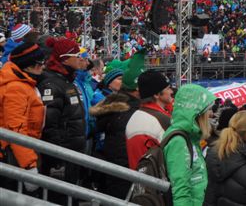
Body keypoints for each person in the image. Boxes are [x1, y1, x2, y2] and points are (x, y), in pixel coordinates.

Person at [89, 50, 146, 198]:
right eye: (118, 79)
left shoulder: (122, 105)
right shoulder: (111, 105)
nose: (121, 82)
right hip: (116, 164)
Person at [38, 37, 88, 201]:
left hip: (71, 155)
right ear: (65, 59)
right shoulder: (52, 84)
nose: (79, 58)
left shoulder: (66, 81)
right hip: (60, 159)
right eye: (76, 55)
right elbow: (49, 126)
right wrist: (57, 157)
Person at [0, 42, 46, 191]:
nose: (43, 67)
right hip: (14, 156)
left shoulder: (23, 84)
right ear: (28, 65)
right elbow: (16, 130)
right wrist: (29, 166)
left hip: (19, 152)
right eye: (40, 64)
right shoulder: (16, 87)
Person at [164, 83, 216, 206]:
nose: (210, 114)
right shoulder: (179, 141)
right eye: (207, 109)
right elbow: (180, 190)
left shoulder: (191, 137)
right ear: (196, 112)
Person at [125, 70, 173, 169]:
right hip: (153, 181)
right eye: (168, 89)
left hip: (146, 179)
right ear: (156, 94)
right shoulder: (158, 120)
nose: (171, 92)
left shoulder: (140, 114)